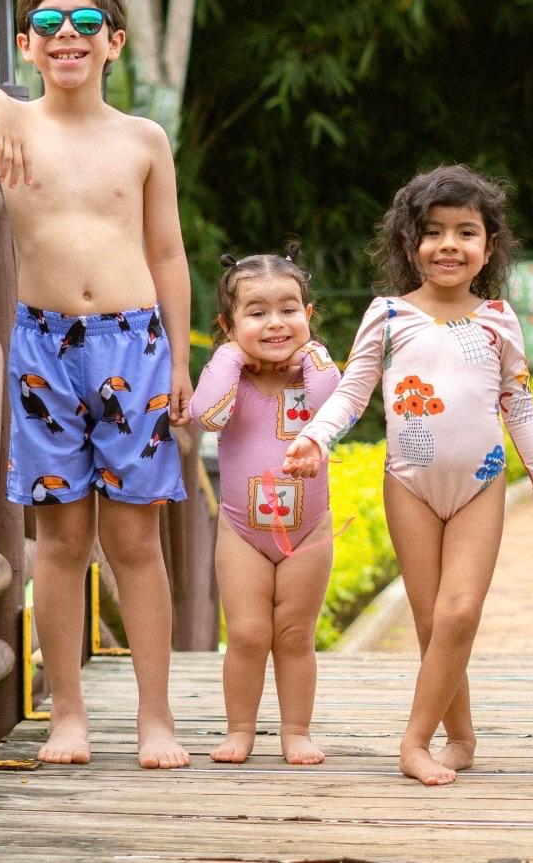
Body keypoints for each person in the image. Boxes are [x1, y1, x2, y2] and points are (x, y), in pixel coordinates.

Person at [0, 0, 193, 769]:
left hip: (133, 344)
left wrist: (177, 358)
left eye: (85, 25)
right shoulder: (9, 124)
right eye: (50, 25)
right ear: (26, 44)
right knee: (63, 537)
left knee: (136, 539)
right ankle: (67, 713)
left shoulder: (144, 139)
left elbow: (168, 251)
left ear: (116, 43)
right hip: (44, 348)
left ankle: (156, 718)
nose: (67, 36)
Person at [284, 164, 533, 785]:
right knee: (429, 622)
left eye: (466, 232)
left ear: (488, 247)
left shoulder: (498, 318)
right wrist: (314, 436)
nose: (449, 245)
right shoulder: (387, 315)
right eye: (434, 232)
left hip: (481, 484)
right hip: (409, 484)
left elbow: (518, 405)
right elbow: (353, 392)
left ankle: (413, 743)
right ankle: (461, 736)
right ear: (408, 243)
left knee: (459, 612)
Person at [190, 253, 340, 765]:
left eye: (289, 309)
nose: (275, 323)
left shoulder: (314, 374)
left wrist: (311, 352)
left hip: (309, 529)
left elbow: (337, 400)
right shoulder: (228, 378)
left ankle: (295, 731)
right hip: (242, 531)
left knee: (295, 633)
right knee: (249, 633)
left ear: (308, 313)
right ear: (228, 326)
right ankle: (240, 729)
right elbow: (206, 416)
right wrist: (230, 356)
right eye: (256, 313)